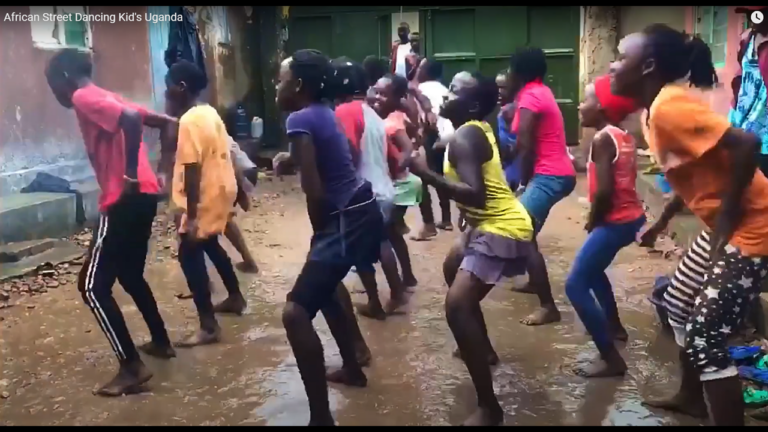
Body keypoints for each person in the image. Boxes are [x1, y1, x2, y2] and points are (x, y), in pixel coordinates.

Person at [611, 24, 768, 426]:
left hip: (755, 228)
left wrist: (728, 218)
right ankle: (690, 398)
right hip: (729, 225)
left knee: (706, 335)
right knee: (678, 302)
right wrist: (662, 220)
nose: (612, 66)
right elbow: (695, 166)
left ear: (647, 66)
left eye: (620, 57)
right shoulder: (654, 110)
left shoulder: (669, 108)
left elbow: (747, 144)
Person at [44, 48, 176, 396]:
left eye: (52, 85)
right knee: (130, 273)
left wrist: (130, 172)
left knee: (91, 286)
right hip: (144, 196)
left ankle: (131, 366)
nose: (55, 94)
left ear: (64, 79)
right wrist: (163, 168)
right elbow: (165, 122)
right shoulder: (105, 95)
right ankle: (160, 341)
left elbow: (132, 120)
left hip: (123, 198)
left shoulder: (84, 96)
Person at [409, 71, 535, 426]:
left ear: (474, 105)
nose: (446, 95)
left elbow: (475, 193)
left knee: (456, 306)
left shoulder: (466, 136)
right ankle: (485, 351)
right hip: (488, 223)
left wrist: (423, 172)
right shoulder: (476, 128)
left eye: (454, 91)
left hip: (502, 227)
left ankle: (489, 408)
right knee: (453, 266)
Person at [274, 50, 384, 426]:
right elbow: (346, 154)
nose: (278, 85)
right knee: (330, 285)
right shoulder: (326, 113)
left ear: (299, 85)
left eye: (281, 79)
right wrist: (295, 159)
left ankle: (321, 419)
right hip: (363, 206)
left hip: (344, 217)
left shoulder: (299, 118)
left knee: (295, 313)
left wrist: (322, 236)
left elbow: (314, 192)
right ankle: (352, 367)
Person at [165, 60, 247, 346]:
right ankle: (235, 297)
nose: (167, 94)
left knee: (189, 254)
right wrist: (241, 190)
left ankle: (208, 326)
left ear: (182, 87)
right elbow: (229, 150)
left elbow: (191, 168)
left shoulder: (188, 121)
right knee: (210, 243)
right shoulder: (210, 112)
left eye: (169, 88)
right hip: (220, 190)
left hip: (202, 197)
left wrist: (190, 212)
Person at [565, 75, 643, 378]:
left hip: (615, 220)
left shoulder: (601, 139)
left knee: (575, 285)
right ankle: (614, 327)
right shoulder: (622, 135)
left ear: (602, 107)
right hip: (630, 217)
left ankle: (611, 358)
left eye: (586, 100)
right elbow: (611, 174)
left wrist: (593, 219)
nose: (580, 106)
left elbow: (604, 192)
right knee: (594, 271)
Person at [506, 47, 577, 326]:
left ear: (518, 72)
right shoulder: (540, 91)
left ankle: (548, 306)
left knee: (520, 230)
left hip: (550, 175)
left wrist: (522, 182)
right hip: (553, 172)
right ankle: (536, 283)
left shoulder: (531, 96)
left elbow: (524, 144)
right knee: (527, 231)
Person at [332, 57, 408, 319]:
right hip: (383, 188)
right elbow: (390, 157)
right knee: (381, 241)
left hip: (364, 192)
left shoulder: (346, 111)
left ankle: (377, 301)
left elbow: (349, 152)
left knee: (361, 250)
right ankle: (395, 294)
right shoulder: (373, 114)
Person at [371, 73, 421, 289]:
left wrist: (396, 166)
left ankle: (397, 283)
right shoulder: (393, 117)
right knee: (391, 234)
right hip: (401, 184)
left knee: (383, 235)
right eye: (377, 92)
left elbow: (409, 149)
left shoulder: (392, 123)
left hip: (401, 185)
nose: (378, 98)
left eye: (384, 94)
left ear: (396, 97)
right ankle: (408, 276)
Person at [411, 58, 455, 240]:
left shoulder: (421, 89)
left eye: (420, 68)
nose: (417, 70)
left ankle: (429, 224)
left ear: (426, 71)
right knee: (439, 175)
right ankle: (446, 219)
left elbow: (422, 118)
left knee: (423, 178)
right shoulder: (445, 89)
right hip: (449, 136)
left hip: (432, 136)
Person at [730, 6, 768, 177]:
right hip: (743, 123)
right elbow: (742, 76)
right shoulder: (747, 39)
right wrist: (733, 112)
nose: (753, 19)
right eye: (749, 14)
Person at [496, 70, 522, 190]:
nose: (500, 92)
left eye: (504, 87)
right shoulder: (500, 110)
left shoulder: (508, 111)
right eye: (498, 87)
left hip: (515, 167)